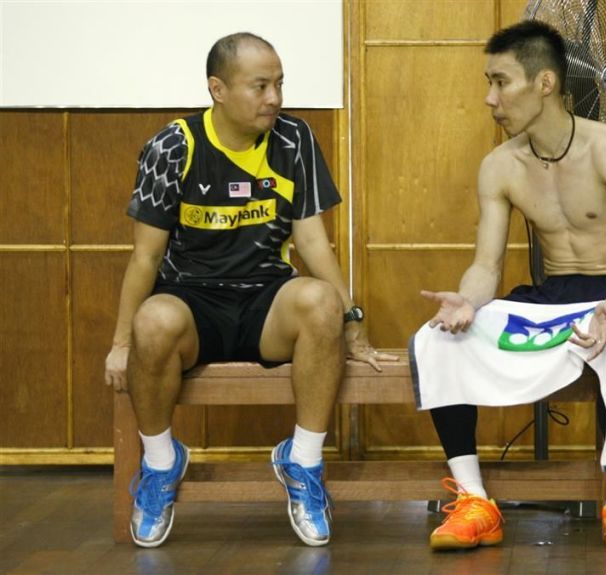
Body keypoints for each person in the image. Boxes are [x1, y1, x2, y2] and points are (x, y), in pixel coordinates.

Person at [104, 32, 393, 548]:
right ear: (218, 89)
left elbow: (313, 242)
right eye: (260, 86)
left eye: (279, 84)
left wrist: (353, 320)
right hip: (193, 303)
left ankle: (302, 462)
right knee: (153, 321)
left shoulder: (294, 139)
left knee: (321, 302)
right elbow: (146, 256)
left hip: (266, 302)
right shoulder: (173, 147)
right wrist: (122, 342)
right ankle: (161, 464)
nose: (275, 98)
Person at [418, 20, 606, 556]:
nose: (490, 98)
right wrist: (466, 301)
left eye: (501, 82)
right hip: (553, 295)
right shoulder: (499, 166)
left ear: (545, 83)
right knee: (438, 337)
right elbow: (487, 266)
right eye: (490, 82)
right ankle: (475, 501)